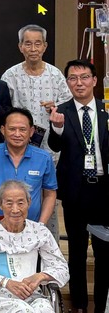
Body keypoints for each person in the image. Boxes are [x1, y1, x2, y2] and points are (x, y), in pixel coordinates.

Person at [48, 59, 109, 313]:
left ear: (94, 81)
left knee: (105, 253)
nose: (79, 83)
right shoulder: (61, 111)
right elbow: (54, 145)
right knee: (76, 251)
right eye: (73, 78)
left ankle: (102, 305)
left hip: (104, 191)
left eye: (84, 77)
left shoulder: (106, 112)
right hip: (76, 190)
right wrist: (57, 127)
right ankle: (79, 305)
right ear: (67, 83)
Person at [0, 180, 69, 313]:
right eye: (9, 203)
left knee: (45, 309)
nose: (15, 209)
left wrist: (41, 276)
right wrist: (5, 282)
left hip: (31, 295)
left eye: (21, 203)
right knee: (21, 309)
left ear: (29, 202)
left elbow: (62, 269)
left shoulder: (40, 231)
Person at [0, 109, 57, 228]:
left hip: (30, 228)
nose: (17, 134)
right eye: (12, 129)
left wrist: (40, 225)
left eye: (22, 129)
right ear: (3, 130)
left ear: (31, 131)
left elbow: (50, 194)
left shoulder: (44, 158)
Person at [0, 24, 70, 154]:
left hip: (51, 142)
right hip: (18, 140)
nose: (33, 49)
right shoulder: (10, 76)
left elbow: (68, 104)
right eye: (28, 44)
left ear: (45, 46)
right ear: (20, 47)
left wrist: (55, 107)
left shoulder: (55, 74)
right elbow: (3, 109)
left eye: (38, 44)